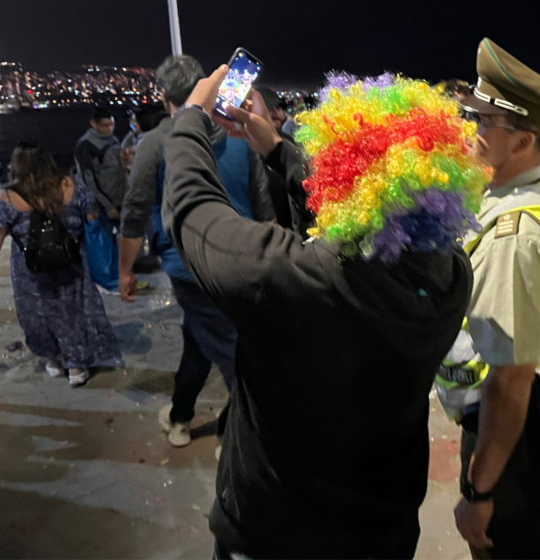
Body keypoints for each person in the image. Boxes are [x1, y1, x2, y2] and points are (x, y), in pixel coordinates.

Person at [164, 65, 480, 560]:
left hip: (278, 535)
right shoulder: (452, 276)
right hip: (384, 530)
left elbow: (192, 210)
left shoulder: (290, 281)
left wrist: (188, 120)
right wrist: (275, 148)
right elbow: (374, 217)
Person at [434, 38, 540, 560]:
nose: (469, 131)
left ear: (523, 141)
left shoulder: (517, 234)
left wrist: (479, 491)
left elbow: (509, 378)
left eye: (482, 123)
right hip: (539, 419)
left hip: (512, 432)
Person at [118, 54, 275, 448]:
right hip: (245, 261)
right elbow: (263, 205)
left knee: (232, 357)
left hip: (190, 269)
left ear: (165, 95)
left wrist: (125, 270)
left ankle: (243, 439)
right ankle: (179, 416)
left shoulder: (155, 142)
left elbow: (134, 212)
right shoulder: (237, 135)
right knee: (200, 339)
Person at [0, 142, 120, 386]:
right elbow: (91, 217)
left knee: (37, 315)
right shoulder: (70, 186)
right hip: (71, 262)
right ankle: (76, 366)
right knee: (74, 311)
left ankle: (54, 359)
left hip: (29, 269)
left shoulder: (7, 196)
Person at [255, 86, 313, 236]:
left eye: (280, 108)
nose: (278, 114)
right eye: (271, 108)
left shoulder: (289, 142)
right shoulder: (248, 148)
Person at [75, 106, 126, 223]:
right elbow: (89, 181)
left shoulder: (112, 139)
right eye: (106, 125)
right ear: (93, 124)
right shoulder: (86, 146)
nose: (110, 128)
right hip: (104, 207)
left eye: (112, 124)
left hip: (120, 200)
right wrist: (107, 206)